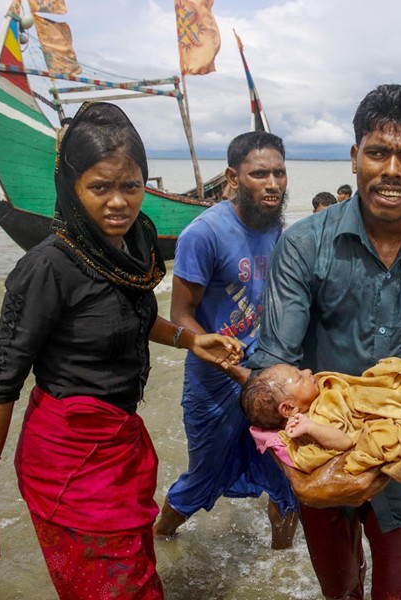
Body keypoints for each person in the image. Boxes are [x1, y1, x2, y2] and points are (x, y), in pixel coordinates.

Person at [0, 101, 244, 599]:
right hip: (67, 459)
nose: (119, 203)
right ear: (71, 187)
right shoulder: (47, 268)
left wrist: (192, 339)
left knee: (133, 570)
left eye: (131, 187)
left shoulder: (135, 242)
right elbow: (1, 385)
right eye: (100, 188)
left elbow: (128, 316)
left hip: (119, 445)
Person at [248, 83, 401, 600]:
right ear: (355, 158)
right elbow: (276, 359)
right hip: (319, 455)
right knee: (340, 591)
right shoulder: (305, 244)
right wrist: (302, 459)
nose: (392, 170)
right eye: (378, 153)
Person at [153, 131, 298, 547]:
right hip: (215, 381)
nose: (272, 184)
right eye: (259, 174)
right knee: (203, 478)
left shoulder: (276, 228)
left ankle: (280, 569)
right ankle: (161, 540)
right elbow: (179, 315)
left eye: (279, 173)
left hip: (263, 376)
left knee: (287, 477)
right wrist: (233, 368)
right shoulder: (203, 234)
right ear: (233, 178)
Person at [241, 358, 401, 486]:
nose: (308, 372)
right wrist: (311, 427)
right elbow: (343, 442)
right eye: (300, 378)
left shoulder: (318, 396)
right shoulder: (314, 419)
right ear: (288, 409)